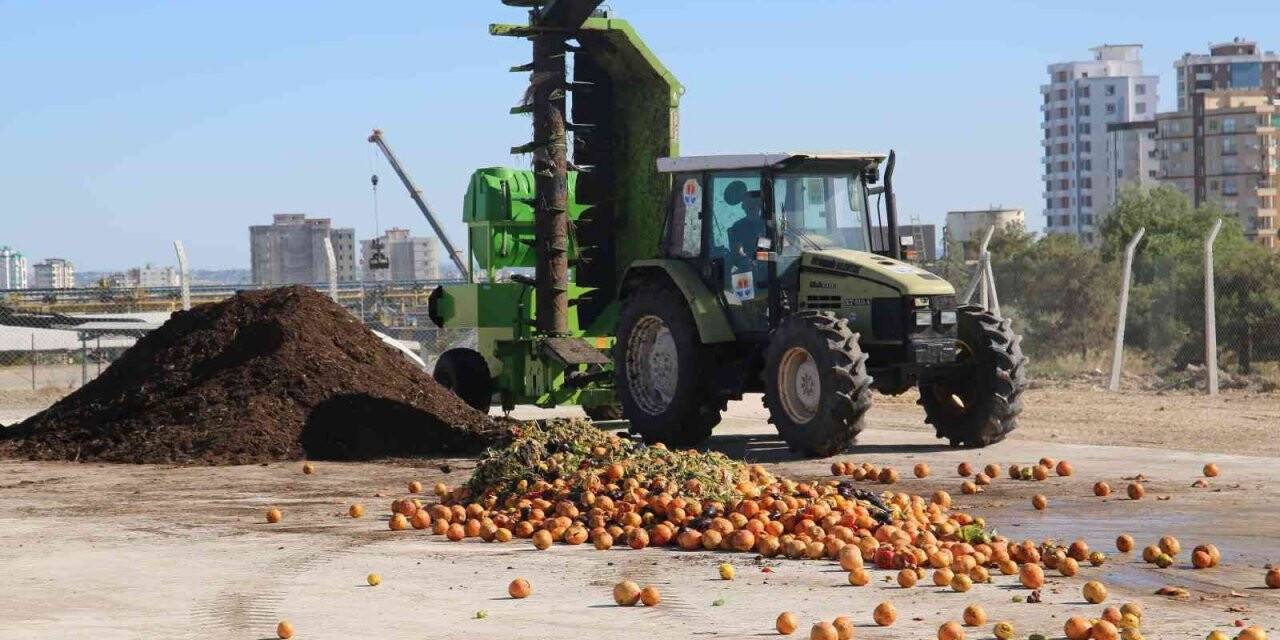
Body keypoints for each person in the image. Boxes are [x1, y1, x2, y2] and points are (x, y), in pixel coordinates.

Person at [724, 180, 766, 272]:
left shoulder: (767, 226)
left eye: (754, 203)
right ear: (743, 207)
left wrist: (761, 259)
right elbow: (737, 256)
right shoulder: (737, 228)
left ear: (759, 205)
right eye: (749, 204)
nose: (752, 206)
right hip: (746, 272)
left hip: (768, 270)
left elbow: (774, 254)